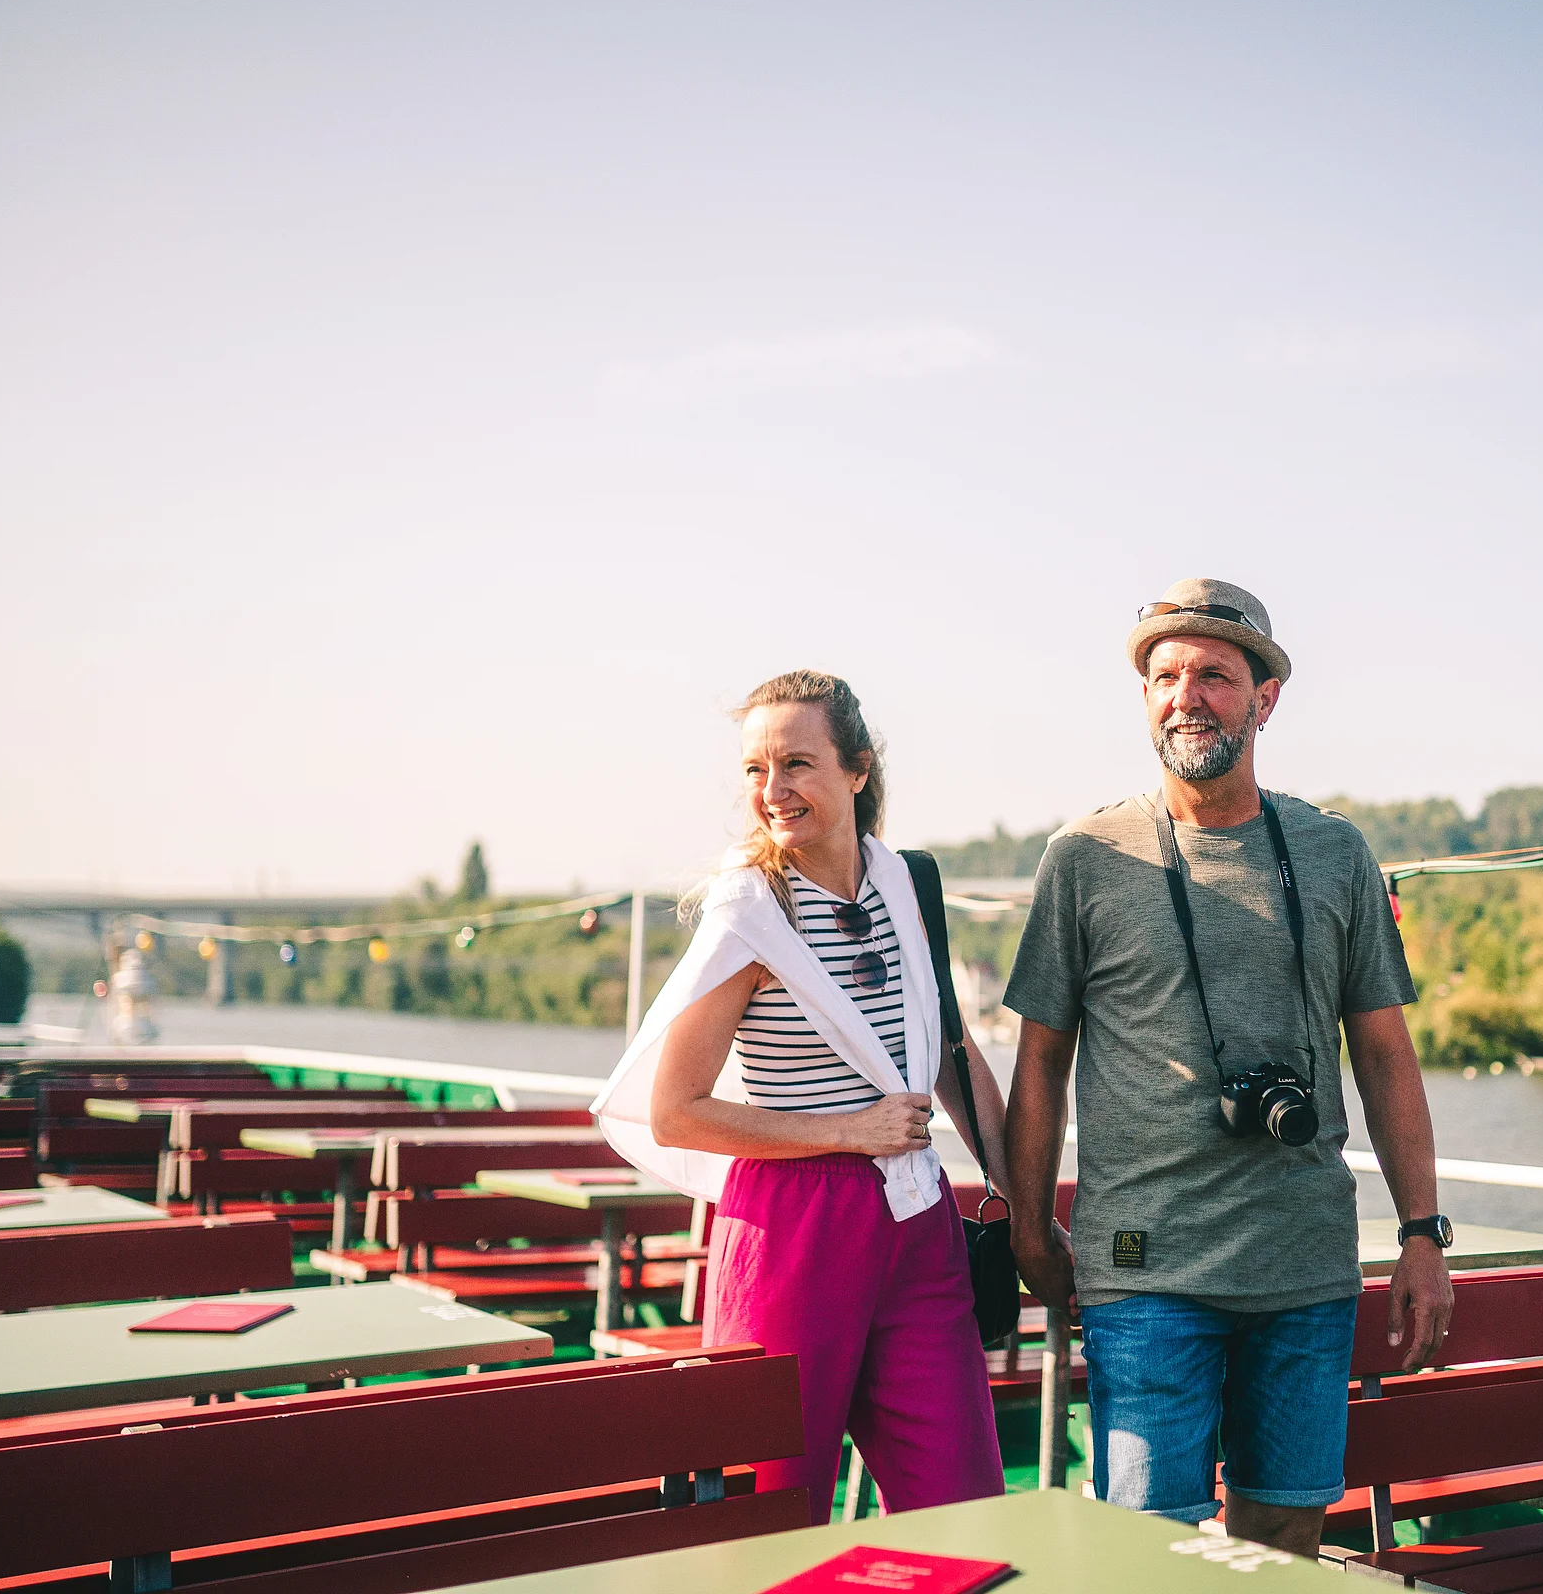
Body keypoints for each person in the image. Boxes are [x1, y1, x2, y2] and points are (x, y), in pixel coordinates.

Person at [1003, 578, 1453, 1554]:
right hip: (1141, 1269)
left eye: (1213, 673)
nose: (1186, 695)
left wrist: (1423, 1232)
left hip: (1303, 1261)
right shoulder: (1085, 855)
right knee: (1144, 1540)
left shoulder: (1334, 852)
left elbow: (1385, 1053)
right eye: (1165, 675)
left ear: (1265, 698)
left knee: (1284, 1523)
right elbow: (1040, 1059)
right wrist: (1031, 1225)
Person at [592, 670, 1006, 1523]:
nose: (772, 791)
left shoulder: (910, 887)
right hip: (791, 1226)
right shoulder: (747, 914)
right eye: (754, 770)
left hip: (918, 1221)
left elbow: (952, 1062)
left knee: (964, 1507)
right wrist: (851, 1130)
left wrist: (1026, 1211)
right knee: (771, 1514)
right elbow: (677, 1111)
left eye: (796, 764)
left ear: (857, 770)